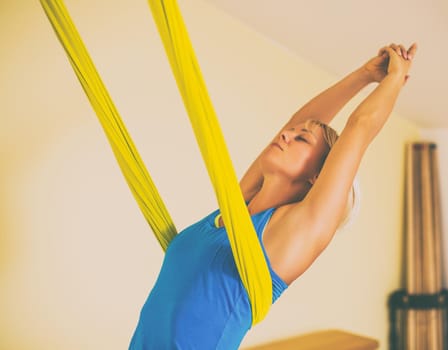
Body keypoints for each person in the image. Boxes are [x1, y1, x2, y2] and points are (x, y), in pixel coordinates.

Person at [129, 42, 418, 350]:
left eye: (301, 139)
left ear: (318, 176)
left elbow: (359, 129)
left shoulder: (292, 233)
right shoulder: (234, 208)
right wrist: (363, 75)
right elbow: (296, 120)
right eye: (291, 133)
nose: (285, 135)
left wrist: (395, 78)